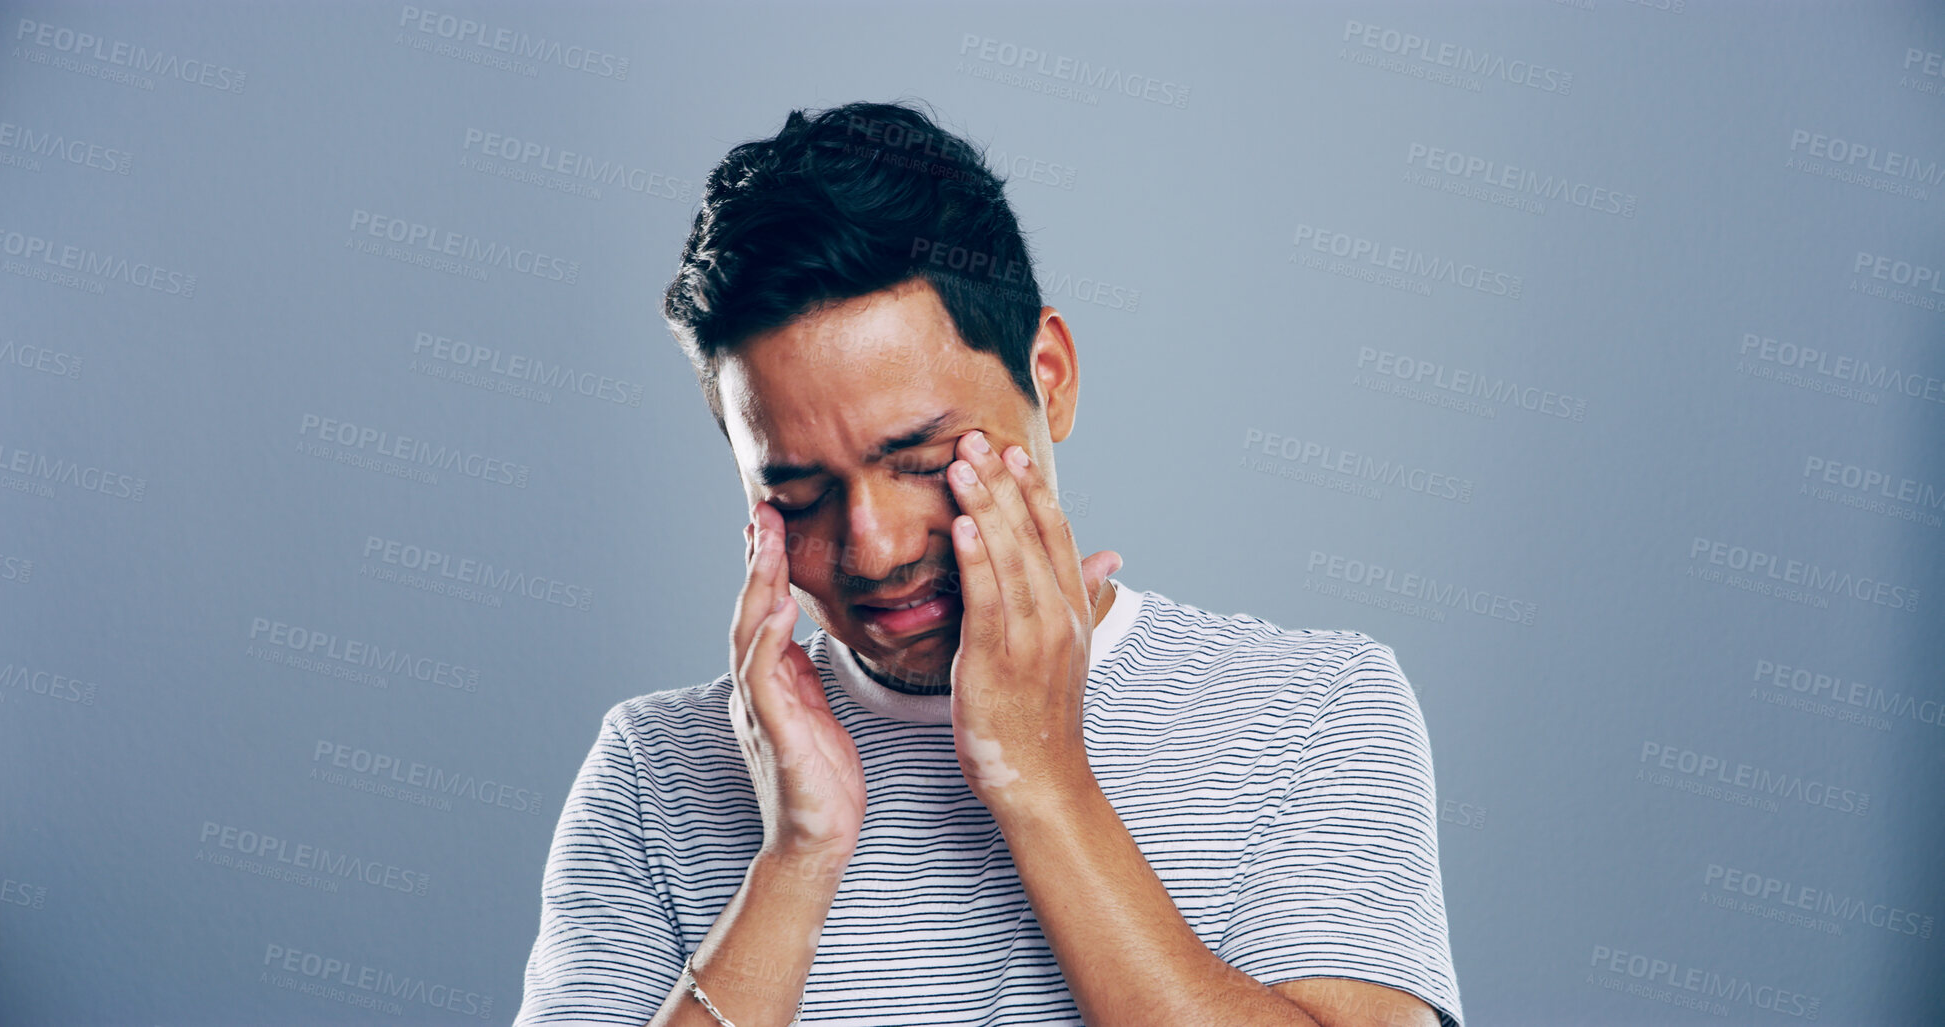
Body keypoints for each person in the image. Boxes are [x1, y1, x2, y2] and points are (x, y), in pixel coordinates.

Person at [514, 99, 1463, 1027]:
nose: (873, 549)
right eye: (798, 494)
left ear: (1047, 376)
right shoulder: (656, 773)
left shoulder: (1315, 706)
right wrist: (794, 864)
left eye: (923, 462)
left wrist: (1042, 777)